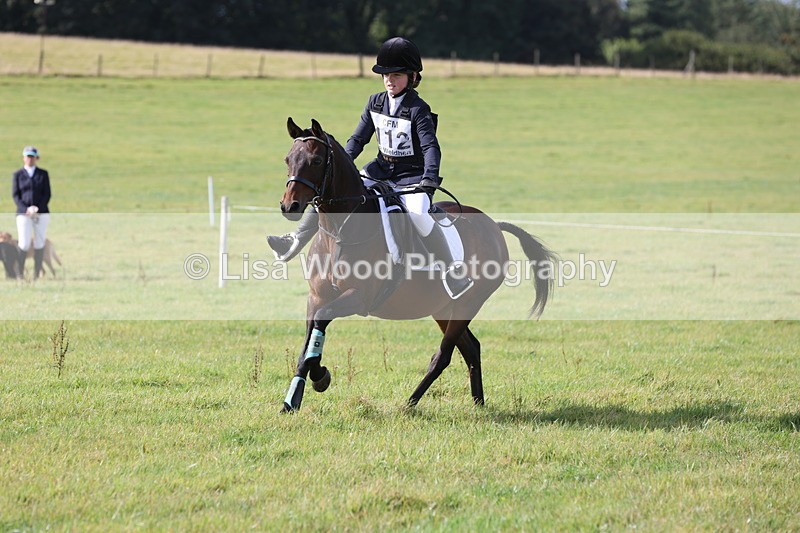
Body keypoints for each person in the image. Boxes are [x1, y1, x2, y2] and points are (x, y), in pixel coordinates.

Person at [269, 37, 473, 299]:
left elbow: (431, 147)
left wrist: (429, 179)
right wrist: (340, 166)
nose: (389, 80)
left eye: (396, 75)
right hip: (379, 170)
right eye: (386, 75)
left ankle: (452, 272)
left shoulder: (418, 109)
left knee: (419, 214)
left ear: (412, 77)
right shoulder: (375, 102)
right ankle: (294, 240)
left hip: (412, 176)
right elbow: (357, 140)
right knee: (328, 195)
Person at [12, 146, 52, 280]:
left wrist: (37, 208)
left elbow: (47, 194)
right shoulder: (17, 175)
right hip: (23, 214)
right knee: (24, 243)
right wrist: (26, 209)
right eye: (27, 156)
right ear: (24, 157)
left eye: (32, 156)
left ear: (36, 158)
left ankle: (37, 273)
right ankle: (20, 273)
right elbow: (16, 195)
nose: (30, 159)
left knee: (39, 242)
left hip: (41, 213)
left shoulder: (43, 174)